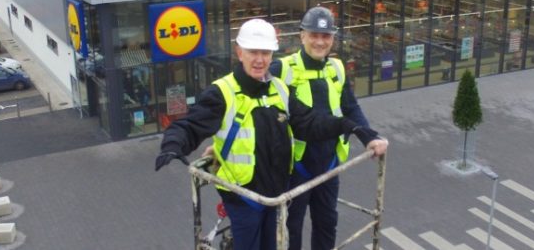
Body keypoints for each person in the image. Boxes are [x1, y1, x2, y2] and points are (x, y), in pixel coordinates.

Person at [155, 18, 378, 250]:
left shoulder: (279, 89)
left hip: (275, 197)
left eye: (266, 53)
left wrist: (353, 127)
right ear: (239, 52)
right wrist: (172, 145)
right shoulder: (222, 92)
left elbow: (309, 121)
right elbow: (190, 125)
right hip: (243, 200)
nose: (260, 60)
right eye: (253, 52)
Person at [270, 6, 388, 250]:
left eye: (326, 36)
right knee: (291, 228)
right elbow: (252, 103)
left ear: (333, 39)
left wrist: (369, 136)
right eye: (314, 35)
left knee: (327, 222)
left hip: (329, 166)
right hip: (296, 169)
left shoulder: (336, 68)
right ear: (302, 35)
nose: (320, 41)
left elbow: (350, 106)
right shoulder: (282, 70)